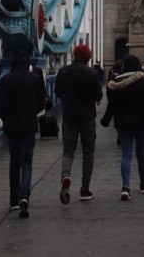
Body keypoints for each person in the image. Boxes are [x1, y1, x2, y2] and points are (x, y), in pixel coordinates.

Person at [101, 55, 144, 200]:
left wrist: (106, 120)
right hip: (142, 122)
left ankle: (125, 187)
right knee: (141, 154)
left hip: (123, 123)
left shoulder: (117, 82)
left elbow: (112, 105)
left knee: (126, 155)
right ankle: (143, 184)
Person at [0, 50, 45, 218]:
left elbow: (2, 106)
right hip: (29, 125)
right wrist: (33, 113)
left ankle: (13, 200)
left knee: (14, 161)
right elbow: (42, 101)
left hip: (12, 127)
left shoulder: (5, 80)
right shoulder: (34, 78)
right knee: (27, 161)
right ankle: (24, 195)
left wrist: (8, 120)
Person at [54, 44, 103, 204]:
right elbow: (98, 96)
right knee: (88, 152)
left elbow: (57, 93)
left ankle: (66, 175)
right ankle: (85, 190)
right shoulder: (92, 73)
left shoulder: (63, 71)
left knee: (68, 151)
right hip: (87, 118)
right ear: (88, 56)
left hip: (69, 117)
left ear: (74, 54)